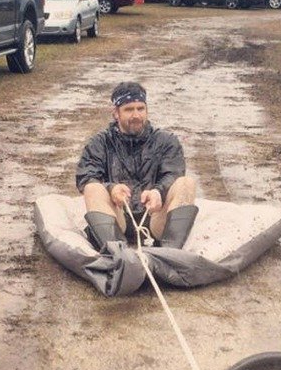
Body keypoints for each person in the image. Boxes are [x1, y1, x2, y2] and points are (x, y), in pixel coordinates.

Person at [76, 81, 198, 251]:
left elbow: (174, 173)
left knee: (186, 183)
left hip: (155, 217)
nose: (136, 115)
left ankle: (171, 252)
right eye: (128, 109)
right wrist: (111, 188)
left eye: (140, 108)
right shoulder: (100, 142)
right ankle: (117, 253)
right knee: (92, 188)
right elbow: (86, 176)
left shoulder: (167, 141)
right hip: (118, 218)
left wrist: (158, 191)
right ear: (116, 113)